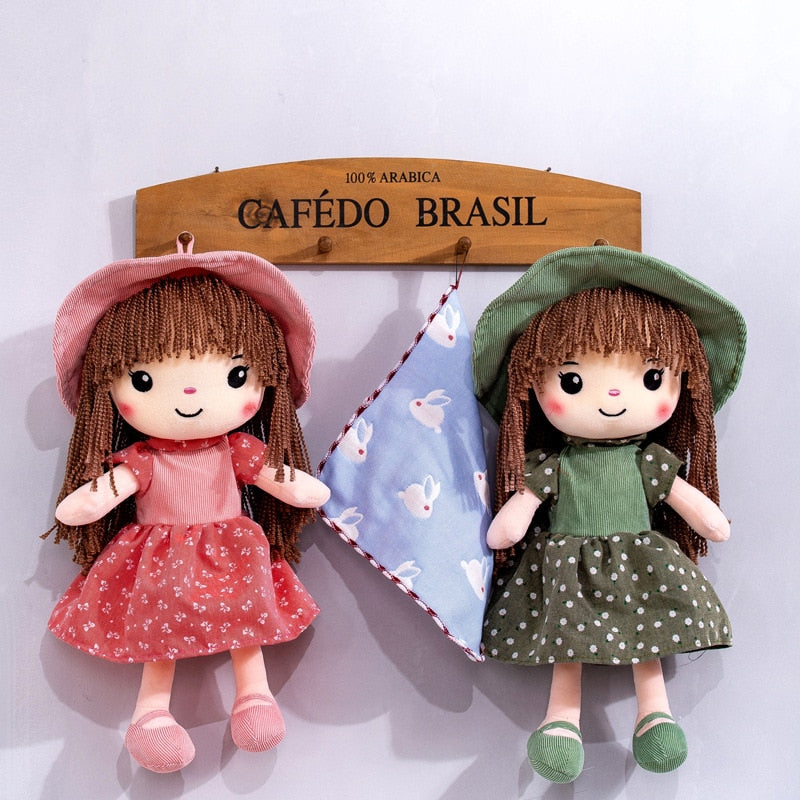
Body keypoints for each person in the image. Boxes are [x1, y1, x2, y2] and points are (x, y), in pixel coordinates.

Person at [45, 238, 329, 773]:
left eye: (235, 376)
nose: (192, 396)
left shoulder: (237, 449)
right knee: (159, 627)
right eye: (145, 380)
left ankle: (254, 695)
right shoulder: (144, 459)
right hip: (159, 560)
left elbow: (284, 482)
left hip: (231, 550)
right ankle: (152, 714)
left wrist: (301, 488)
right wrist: (82, 503)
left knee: (244, 612)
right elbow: (99, 497)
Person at [472, 244, 746, 782]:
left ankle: (654, 712)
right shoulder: (554, 464)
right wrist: (511, 521)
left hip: (639, 561)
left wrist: (711, 521)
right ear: (533, 382)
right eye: (572, 381)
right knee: (566, 643)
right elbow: (513, 521)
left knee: (647, 636)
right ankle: (561, 719)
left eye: (650, 379)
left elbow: (700, 512)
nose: (615, 394)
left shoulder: (648, 461)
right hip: (565, 569)